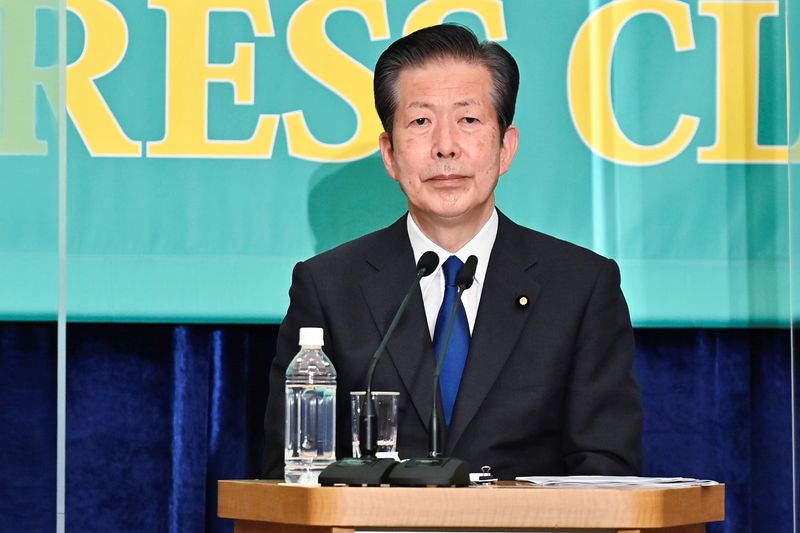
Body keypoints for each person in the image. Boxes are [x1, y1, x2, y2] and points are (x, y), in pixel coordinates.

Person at [261, 24, 642, 480]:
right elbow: (288, 475)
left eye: (469, 120)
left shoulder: (579, 287)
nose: (445, 147)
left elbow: (607, 470)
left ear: (505, 148)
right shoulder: (328, 287)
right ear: (389, 154)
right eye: (421, 122)